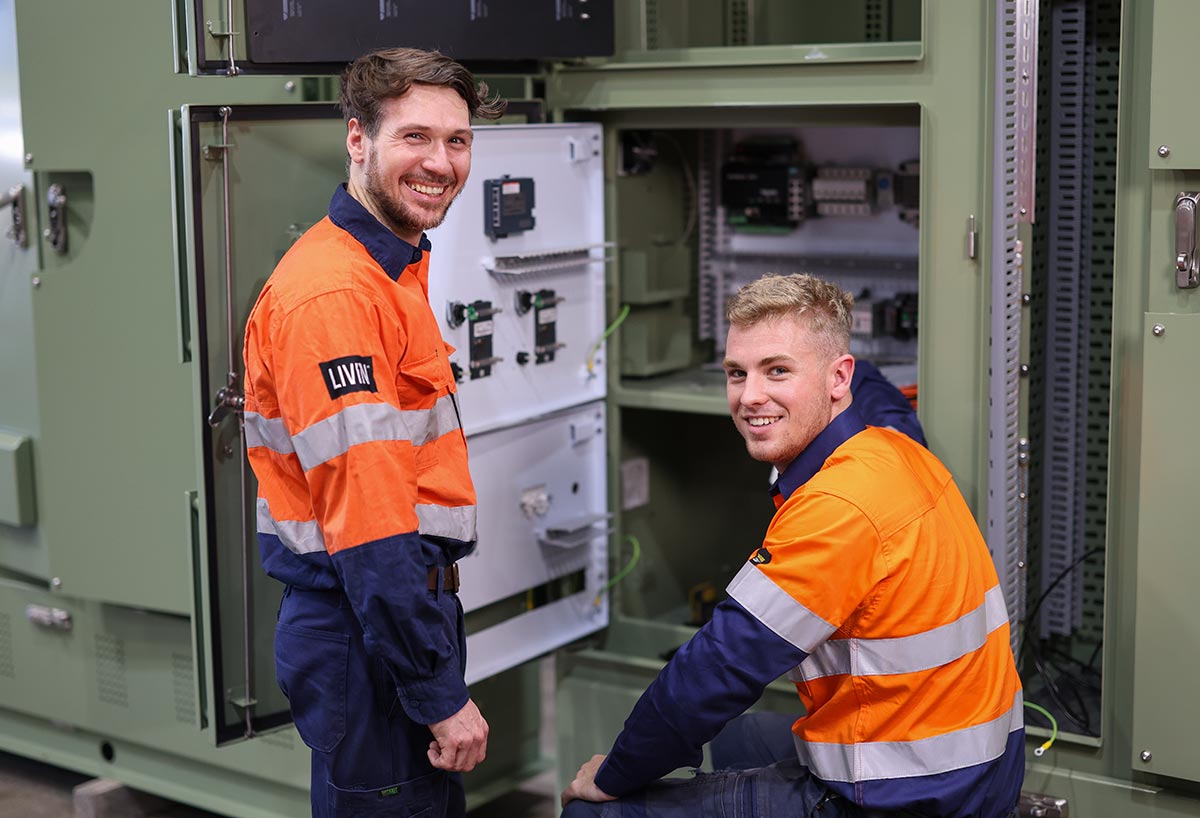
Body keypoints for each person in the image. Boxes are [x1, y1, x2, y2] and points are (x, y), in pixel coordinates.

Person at [561, 273, 1024, 818]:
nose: (750, 396)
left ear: (836, 378)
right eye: (737, 373)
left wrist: (613, 775)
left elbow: (719, 669)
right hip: (976, 766)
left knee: (592, 814)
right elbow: (880, 395)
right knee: (740, 739)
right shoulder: (895, 446)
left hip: (907, 796)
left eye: (777, 370)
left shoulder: (837, 510)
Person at [242, 48, 505, 818]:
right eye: (415, 138)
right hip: (367, 632)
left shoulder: (390, 268)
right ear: (357, 140)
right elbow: (369, 525)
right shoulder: (335, 295)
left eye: (457, 141)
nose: (441, 162)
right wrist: (434, 689)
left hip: (388, 622)